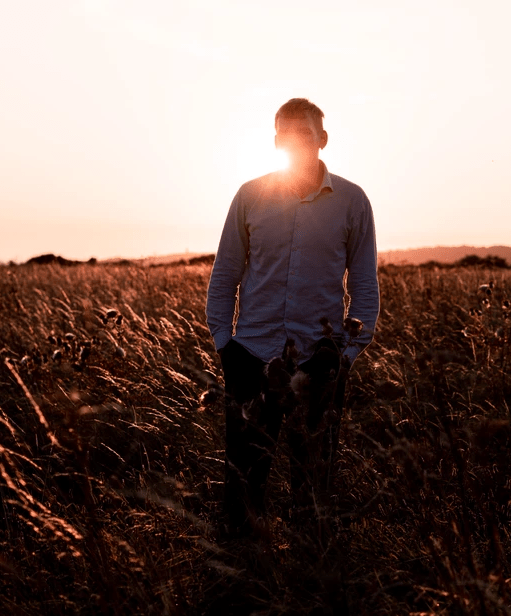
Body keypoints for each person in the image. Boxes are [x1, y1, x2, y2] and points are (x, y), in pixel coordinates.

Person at [206, 98, 380, 535]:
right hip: (250, 356)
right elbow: (226, 273)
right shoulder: (250, 196)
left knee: (313, 492)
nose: (292, 140)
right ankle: (243, 582)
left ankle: (308, 586)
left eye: (302, 132)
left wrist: (346, 356)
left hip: (319, 365)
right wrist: (224, 346)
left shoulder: (352, 201)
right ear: (275, 140)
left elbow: (363, 285)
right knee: (243, 490)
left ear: (322, 139)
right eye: (283, 133)